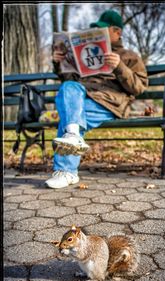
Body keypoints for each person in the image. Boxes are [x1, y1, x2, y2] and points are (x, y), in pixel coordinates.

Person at [45, 10, 148, 189]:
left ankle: (66, 171)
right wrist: (58, 62)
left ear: (117, 32)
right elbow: (69, 80)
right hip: (83, 95)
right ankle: (73, 139)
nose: (98, 33)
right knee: (69, 89)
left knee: (71, 116)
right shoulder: (87, 53)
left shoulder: (129, 56)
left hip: (110, 102)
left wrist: (119, 67)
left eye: (103, 29)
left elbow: (138, 87)